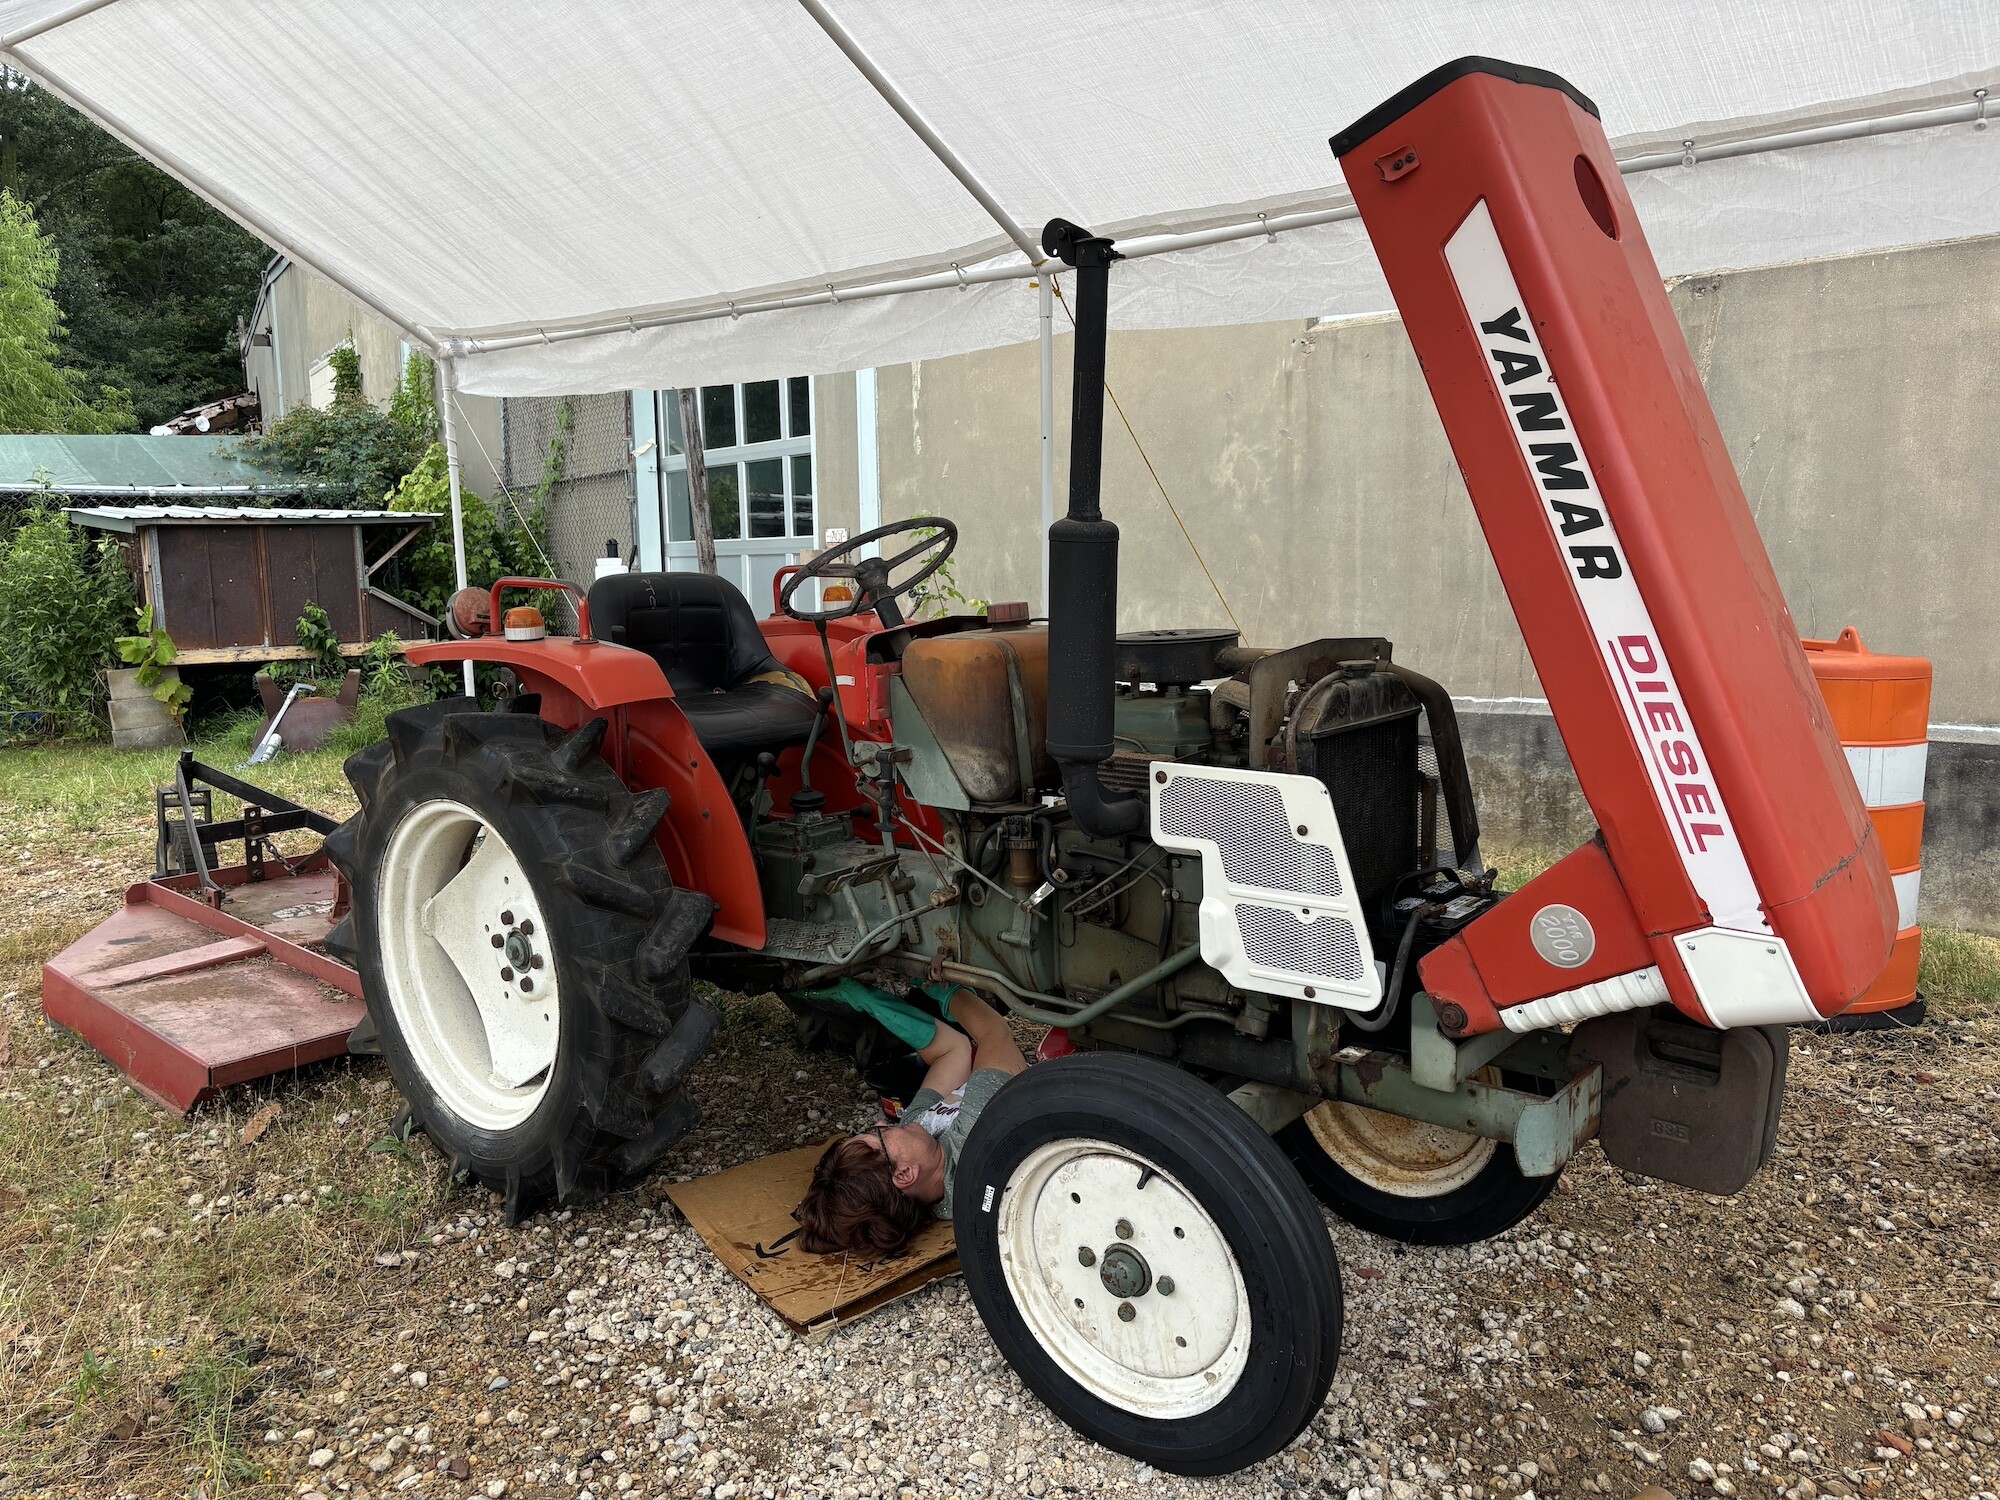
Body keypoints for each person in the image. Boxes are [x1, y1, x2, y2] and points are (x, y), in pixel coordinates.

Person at [796, 985, 1028, 1257]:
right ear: (904, 1174)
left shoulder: (921, 1142)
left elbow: (951, 1051)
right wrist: (943, 988)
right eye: (878, 1137)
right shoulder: (970, 1149)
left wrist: (872, 1000)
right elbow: (995, 1032)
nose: (883, 1125)